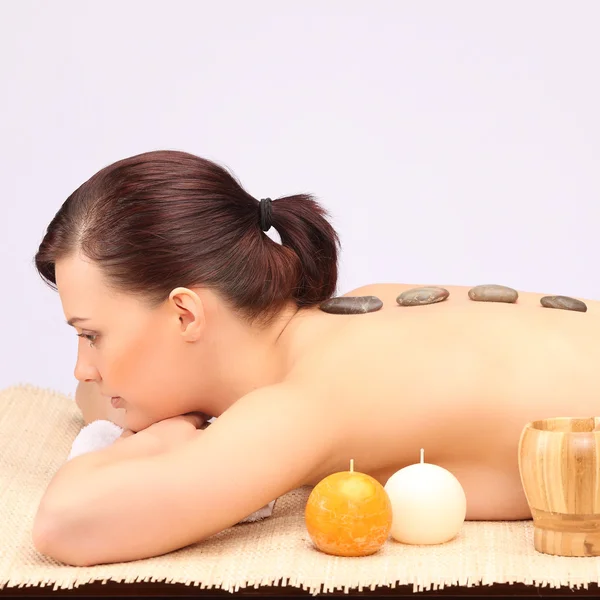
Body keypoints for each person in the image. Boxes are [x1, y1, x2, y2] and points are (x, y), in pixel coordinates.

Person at [31, 149, 600, 567]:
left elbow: (66, 525)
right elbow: (95, 397)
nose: (84, 368)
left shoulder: (303, 406)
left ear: (185, 314)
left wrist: (171, 436)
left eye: (92, 335)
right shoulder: (347, 319)